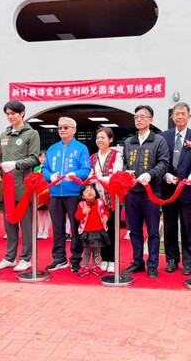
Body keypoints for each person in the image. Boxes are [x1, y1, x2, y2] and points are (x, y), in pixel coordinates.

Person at [0, 101, 40, 272]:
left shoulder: (31, 134)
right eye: (8, 114)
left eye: (13, 113)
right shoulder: (4, 134)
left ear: (22, 113)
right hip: (6, 187)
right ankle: (9, 257)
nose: (10, 116)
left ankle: (26, 258)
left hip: (23, 187)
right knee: (9, 224)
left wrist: (16, 164)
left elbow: (34, 158)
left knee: (26, 224)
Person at [121, 105, 169, 279]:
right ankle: (137, 262)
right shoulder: (128, 142)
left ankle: (153, 264)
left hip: (152, 192)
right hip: (132, 192)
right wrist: (126, 172)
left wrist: (150, 174)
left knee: (153, 230)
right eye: (136, 117)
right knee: (134, 230)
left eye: (142, 116)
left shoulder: (159, 141)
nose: (139, 119)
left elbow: (164, 163)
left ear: (151, 120)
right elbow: (126, 163)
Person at [160, 102, 191, 275]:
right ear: (172, 117)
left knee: (189, 226)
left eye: (183, 114)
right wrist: (165, 175)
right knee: (170, 225)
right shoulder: (164, 136)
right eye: (176, 114)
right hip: (168, 188)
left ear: (189, 116)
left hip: (188, 188)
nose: (180, 116)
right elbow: (161, 159)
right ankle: (171, 260)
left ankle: (188, 262)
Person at [43, 117, 91, 272]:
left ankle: (76, 258)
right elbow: (45, 169)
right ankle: (59, 258)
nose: (62, 130)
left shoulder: (81, 148)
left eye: (66, 127)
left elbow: (86, 170)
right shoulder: (52, 149)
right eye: (60, 127)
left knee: (76, 227)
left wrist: (75, 174)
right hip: (55, 193)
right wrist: (50, 176)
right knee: (57, 228)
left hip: (74, 193)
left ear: (74, 130)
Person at [89, 127, 123, 273]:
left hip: (112, 198)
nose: (100, 140)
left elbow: (117, 175)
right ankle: (104, 258)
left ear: (110, 140)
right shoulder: (93, 157)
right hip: (98, 200)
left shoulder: (117, 155)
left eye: (103, 137)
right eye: (98, 138)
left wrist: (101, 179)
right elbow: (90, 174)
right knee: (101, 229)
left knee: (113, 230)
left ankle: (113, 260)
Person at [74, 184, 110, 276]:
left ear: (96, 193)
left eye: (91, 190)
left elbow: (106, 211)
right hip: (87, 232)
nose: (89, 192)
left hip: (98, 231)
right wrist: (82, 212)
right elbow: (77, 217)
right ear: (82, 196)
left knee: (97, 251)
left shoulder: (100, 202)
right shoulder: (81, 205)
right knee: (86, 250)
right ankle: (85, 266)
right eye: (86, 191)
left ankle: (96, 265)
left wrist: (106, 216)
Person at [34, 150, 51, 240]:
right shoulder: (36, 168)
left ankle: (46, 231)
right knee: (40, 212)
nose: (42, 159)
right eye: (40, 157)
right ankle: (40, 230)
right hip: (39, 193)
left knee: (47, 212)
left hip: (48, 192)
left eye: (44, 157)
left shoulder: (50, 168)